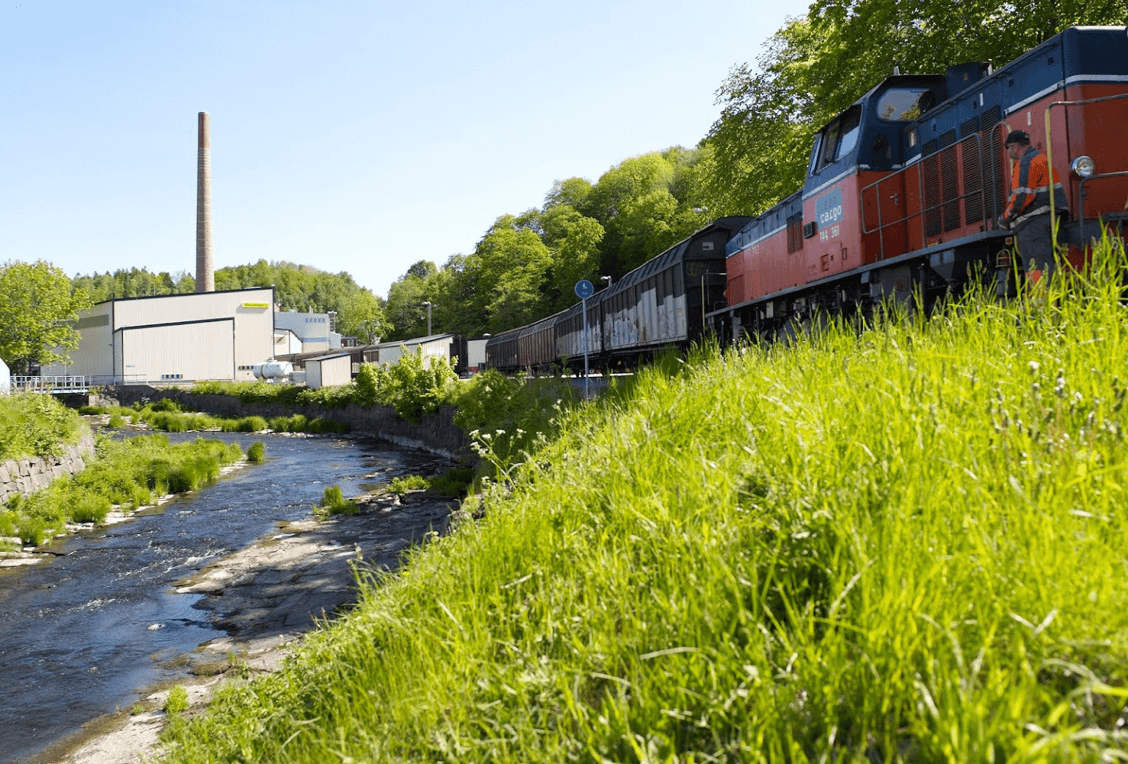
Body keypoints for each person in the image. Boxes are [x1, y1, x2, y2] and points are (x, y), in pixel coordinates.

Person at [997, 129, 1068, 281]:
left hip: (1033, 224)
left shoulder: (1025, 162)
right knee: (1048, 265)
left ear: (1015, 147)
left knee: (1037, 267)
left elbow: (1022, 197)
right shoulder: (1041, 158)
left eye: (1008, 148)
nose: (1009, 153)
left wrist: (1005, 218)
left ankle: (1041, 302)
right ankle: (1052, 300)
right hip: (1049, 218)